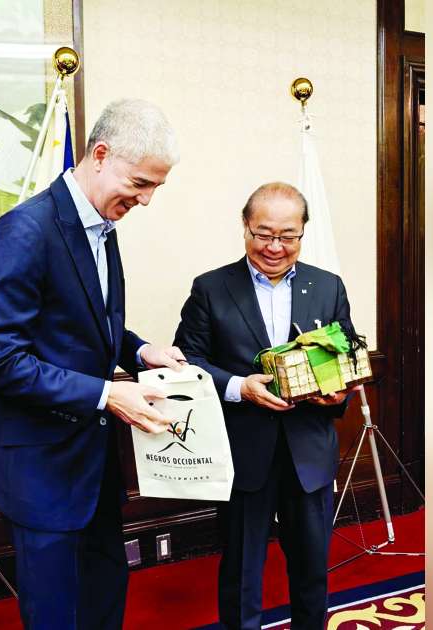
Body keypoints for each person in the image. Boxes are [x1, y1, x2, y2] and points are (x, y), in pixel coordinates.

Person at [0, 98, 188, 629]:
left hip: (92, 468)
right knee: (57, 615)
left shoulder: (102, 228)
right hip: (41, 471)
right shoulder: (24, 231)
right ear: (100, 154)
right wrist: (107, 394)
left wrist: (138, 350)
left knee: (102, 599)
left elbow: (87, 327)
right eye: (140, 183)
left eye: (156, 186)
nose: (147, 199)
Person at [174, 182, 356, 629]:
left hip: (309, 451)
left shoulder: (327, 286)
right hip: (243, 451)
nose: (275, 247)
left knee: (313, 569)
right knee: (241, 571)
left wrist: (339, 392)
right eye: (263, 233)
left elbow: (346, 355)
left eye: (287, 236)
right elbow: (187, 361)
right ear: (245, 226)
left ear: (303, 232)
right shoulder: (212, 288)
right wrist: (239, 386)